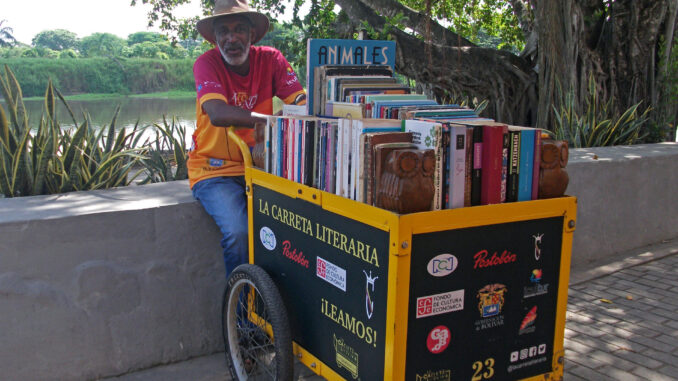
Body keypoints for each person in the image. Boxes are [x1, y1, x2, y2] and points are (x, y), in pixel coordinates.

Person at [190, 0, 306, 278]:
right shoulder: (206, 64)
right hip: (214, 169)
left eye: (239, 29)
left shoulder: (271, 59)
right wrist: (274, 120)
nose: (232, 38)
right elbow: (217, 114)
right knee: (239, 233)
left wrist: (300, 104)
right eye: (224, 31)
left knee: (301, 224)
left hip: (263, 167)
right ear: (215, 37)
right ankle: (242, 315)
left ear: (252, 34)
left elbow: (300, 101)